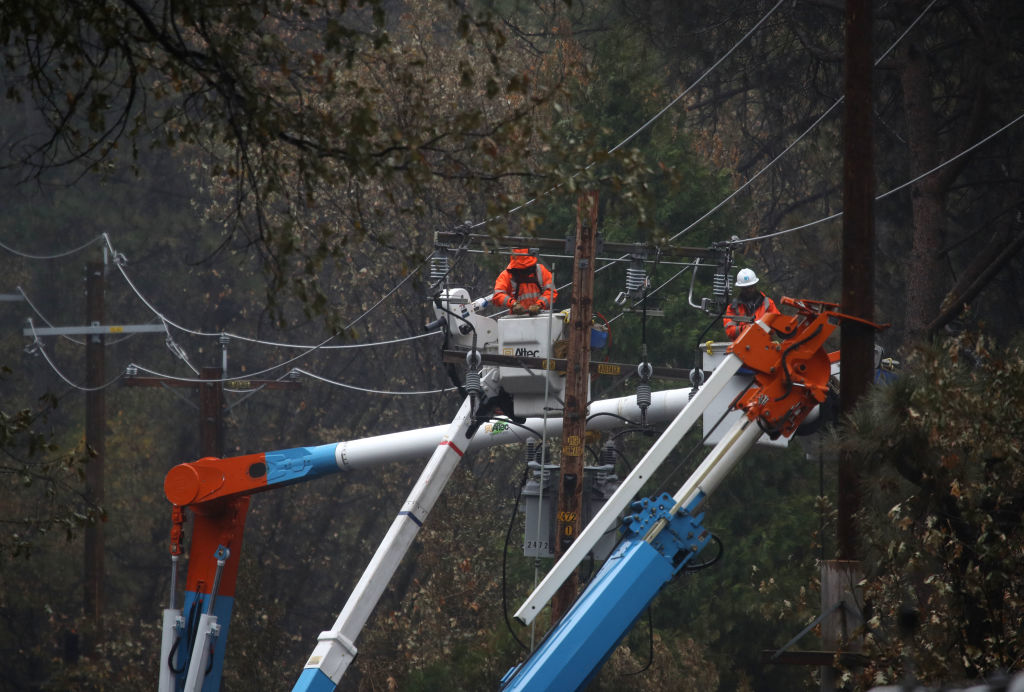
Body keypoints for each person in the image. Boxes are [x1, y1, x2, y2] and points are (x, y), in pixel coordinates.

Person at [492, 248, 557, 315]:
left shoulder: (541, 270)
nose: (524, 272)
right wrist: (513, 304)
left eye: (527, 268)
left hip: (541, 316)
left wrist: (539, 305)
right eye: (521, 269)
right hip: (517, 319)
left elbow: (551, 292)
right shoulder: (506, 275)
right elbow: (497, 296)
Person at [723, 268, 780, 340]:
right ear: (741, 288)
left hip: (764, 346)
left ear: (755, 285)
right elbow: (730, 331)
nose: (748, 290)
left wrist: (760, 327)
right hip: (741, 348)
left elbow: (777, 325)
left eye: (750, 287)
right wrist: (745, 328)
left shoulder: (767, 303)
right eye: (745, 288)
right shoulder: (733, 307)